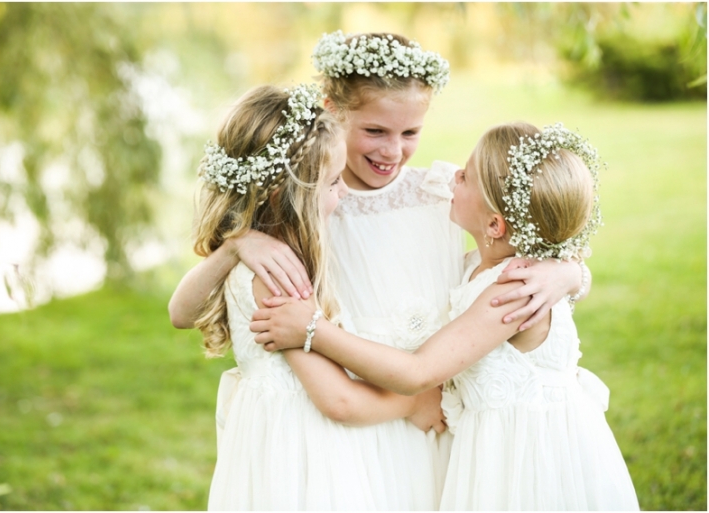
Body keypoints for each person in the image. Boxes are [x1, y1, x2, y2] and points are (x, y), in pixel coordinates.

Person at [170, 31, 590, 507]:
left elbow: (530, 237)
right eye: (375, 132)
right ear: (333, 110)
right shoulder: (306, 211)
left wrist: (569, 274)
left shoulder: (443, 193)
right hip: (360, 422)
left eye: (410, 133)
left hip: (433, 418)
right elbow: (187, 308)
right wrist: (238, 242)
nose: (393, 151)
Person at [252, 122, 640, 510]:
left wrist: (313, 330)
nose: (454, 174)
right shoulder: (485, 268)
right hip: (495, 447)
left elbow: (417, 373)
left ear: (494, 225)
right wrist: (572, 272)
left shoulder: (512, 291)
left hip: (531, 459)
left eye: (466, 177)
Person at [193, 83, 447, 511]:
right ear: (283, 192)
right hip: (305, 453)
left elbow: (180, 311)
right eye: (331, 183)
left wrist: (235, 244)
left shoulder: (263, 258)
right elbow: (339, 401)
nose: (342, 192)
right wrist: (413, 402)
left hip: (270, 441)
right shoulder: (281, 278)